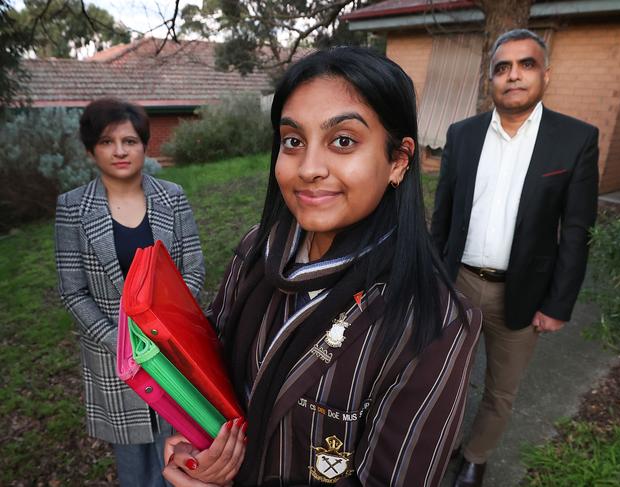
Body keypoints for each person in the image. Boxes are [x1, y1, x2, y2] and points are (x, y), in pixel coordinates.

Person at [162, 46, 482, 487]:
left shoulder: (433, 323)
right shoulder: (256, 252)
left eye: (343, 141)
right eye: (293, 141)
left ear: (398, 161)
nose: (308, 168)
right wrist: (194, 436)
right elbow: (208, 366)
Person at [430, 29, 600, 487]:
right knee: (446, 378)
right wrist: (432, 279)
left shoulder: (575, 139)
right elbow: (441, 218)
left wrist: (558, 305)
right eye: (502, 68)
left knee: (501, 390)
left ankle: (475, 457)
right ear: (491, 79)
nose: (513, 76)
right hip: (458, 284)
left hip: (523, 294)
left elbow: (578, 230)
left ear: (546, 73)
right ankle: (437, 445)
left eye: (525, 65)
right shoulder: (462, 135)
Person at [54, 98, 206, 487]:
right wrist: (123, 342)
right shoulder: (72, 208)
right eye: (107, 142)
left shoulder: (172, 197)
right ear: (91, 150)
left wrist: (163, 333)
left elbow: (193, 270)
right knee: (134, 468)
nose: (120, 151)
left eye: (130, 140)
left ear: (144, 145)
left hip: (171, 352)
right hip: (115, 362)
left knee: (178, 453)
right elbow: (74, 293)